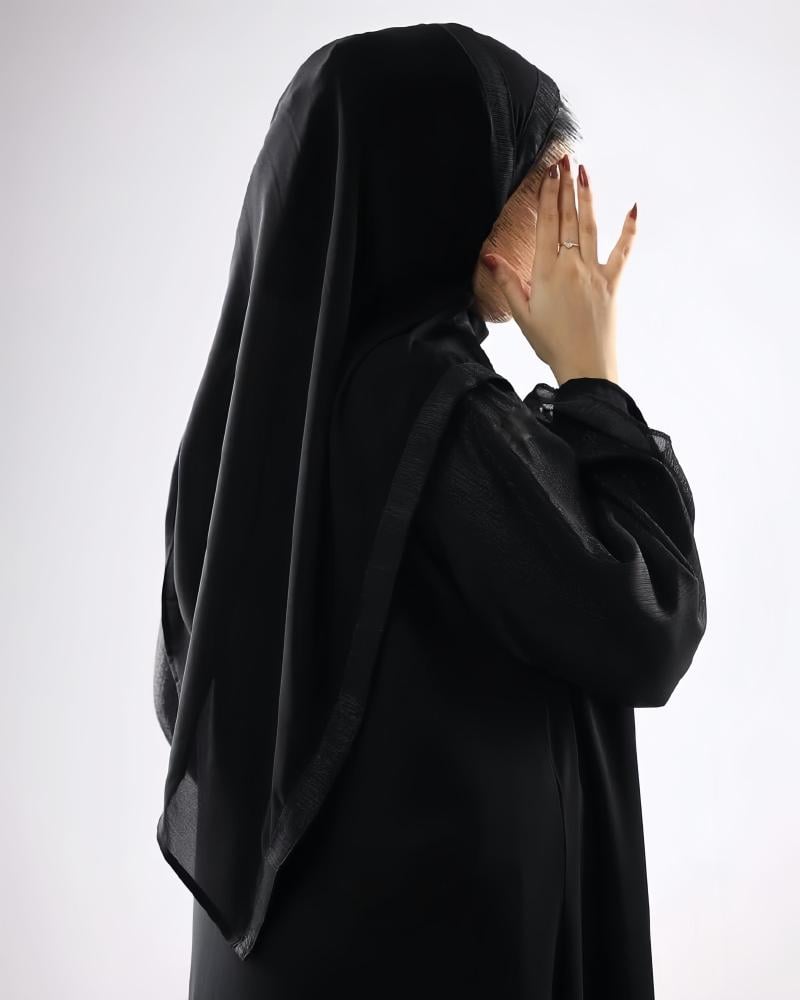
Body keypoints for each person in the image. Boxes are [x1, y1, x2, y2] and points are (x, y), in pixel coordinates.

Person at [152, 22, 707, 1000]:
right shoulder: (433, 408)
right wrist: (593, 376)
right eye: (541, 179)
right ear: (454, 194)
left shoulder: (245, 435)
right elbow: (643, 622)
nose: (563, 222)